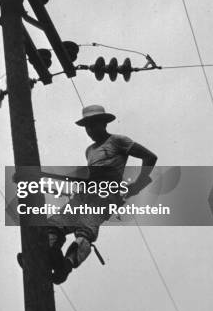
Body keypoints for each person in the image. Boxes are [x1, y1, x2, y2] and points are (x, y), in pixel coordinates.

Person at [48, 104, 158, 284]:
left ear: (104, 123)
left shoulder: (118, 141)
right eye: (87, 127)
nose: (90, 130)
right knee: (53, 224)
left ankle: (66, 266)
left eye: (93, 125)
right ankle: (49, 256)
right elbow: (90, 174)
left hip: (107, 195)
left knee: (85, 228)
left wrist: (138, 182)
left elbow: (150, 157)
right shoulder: (89, 151)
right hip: (87, 193)